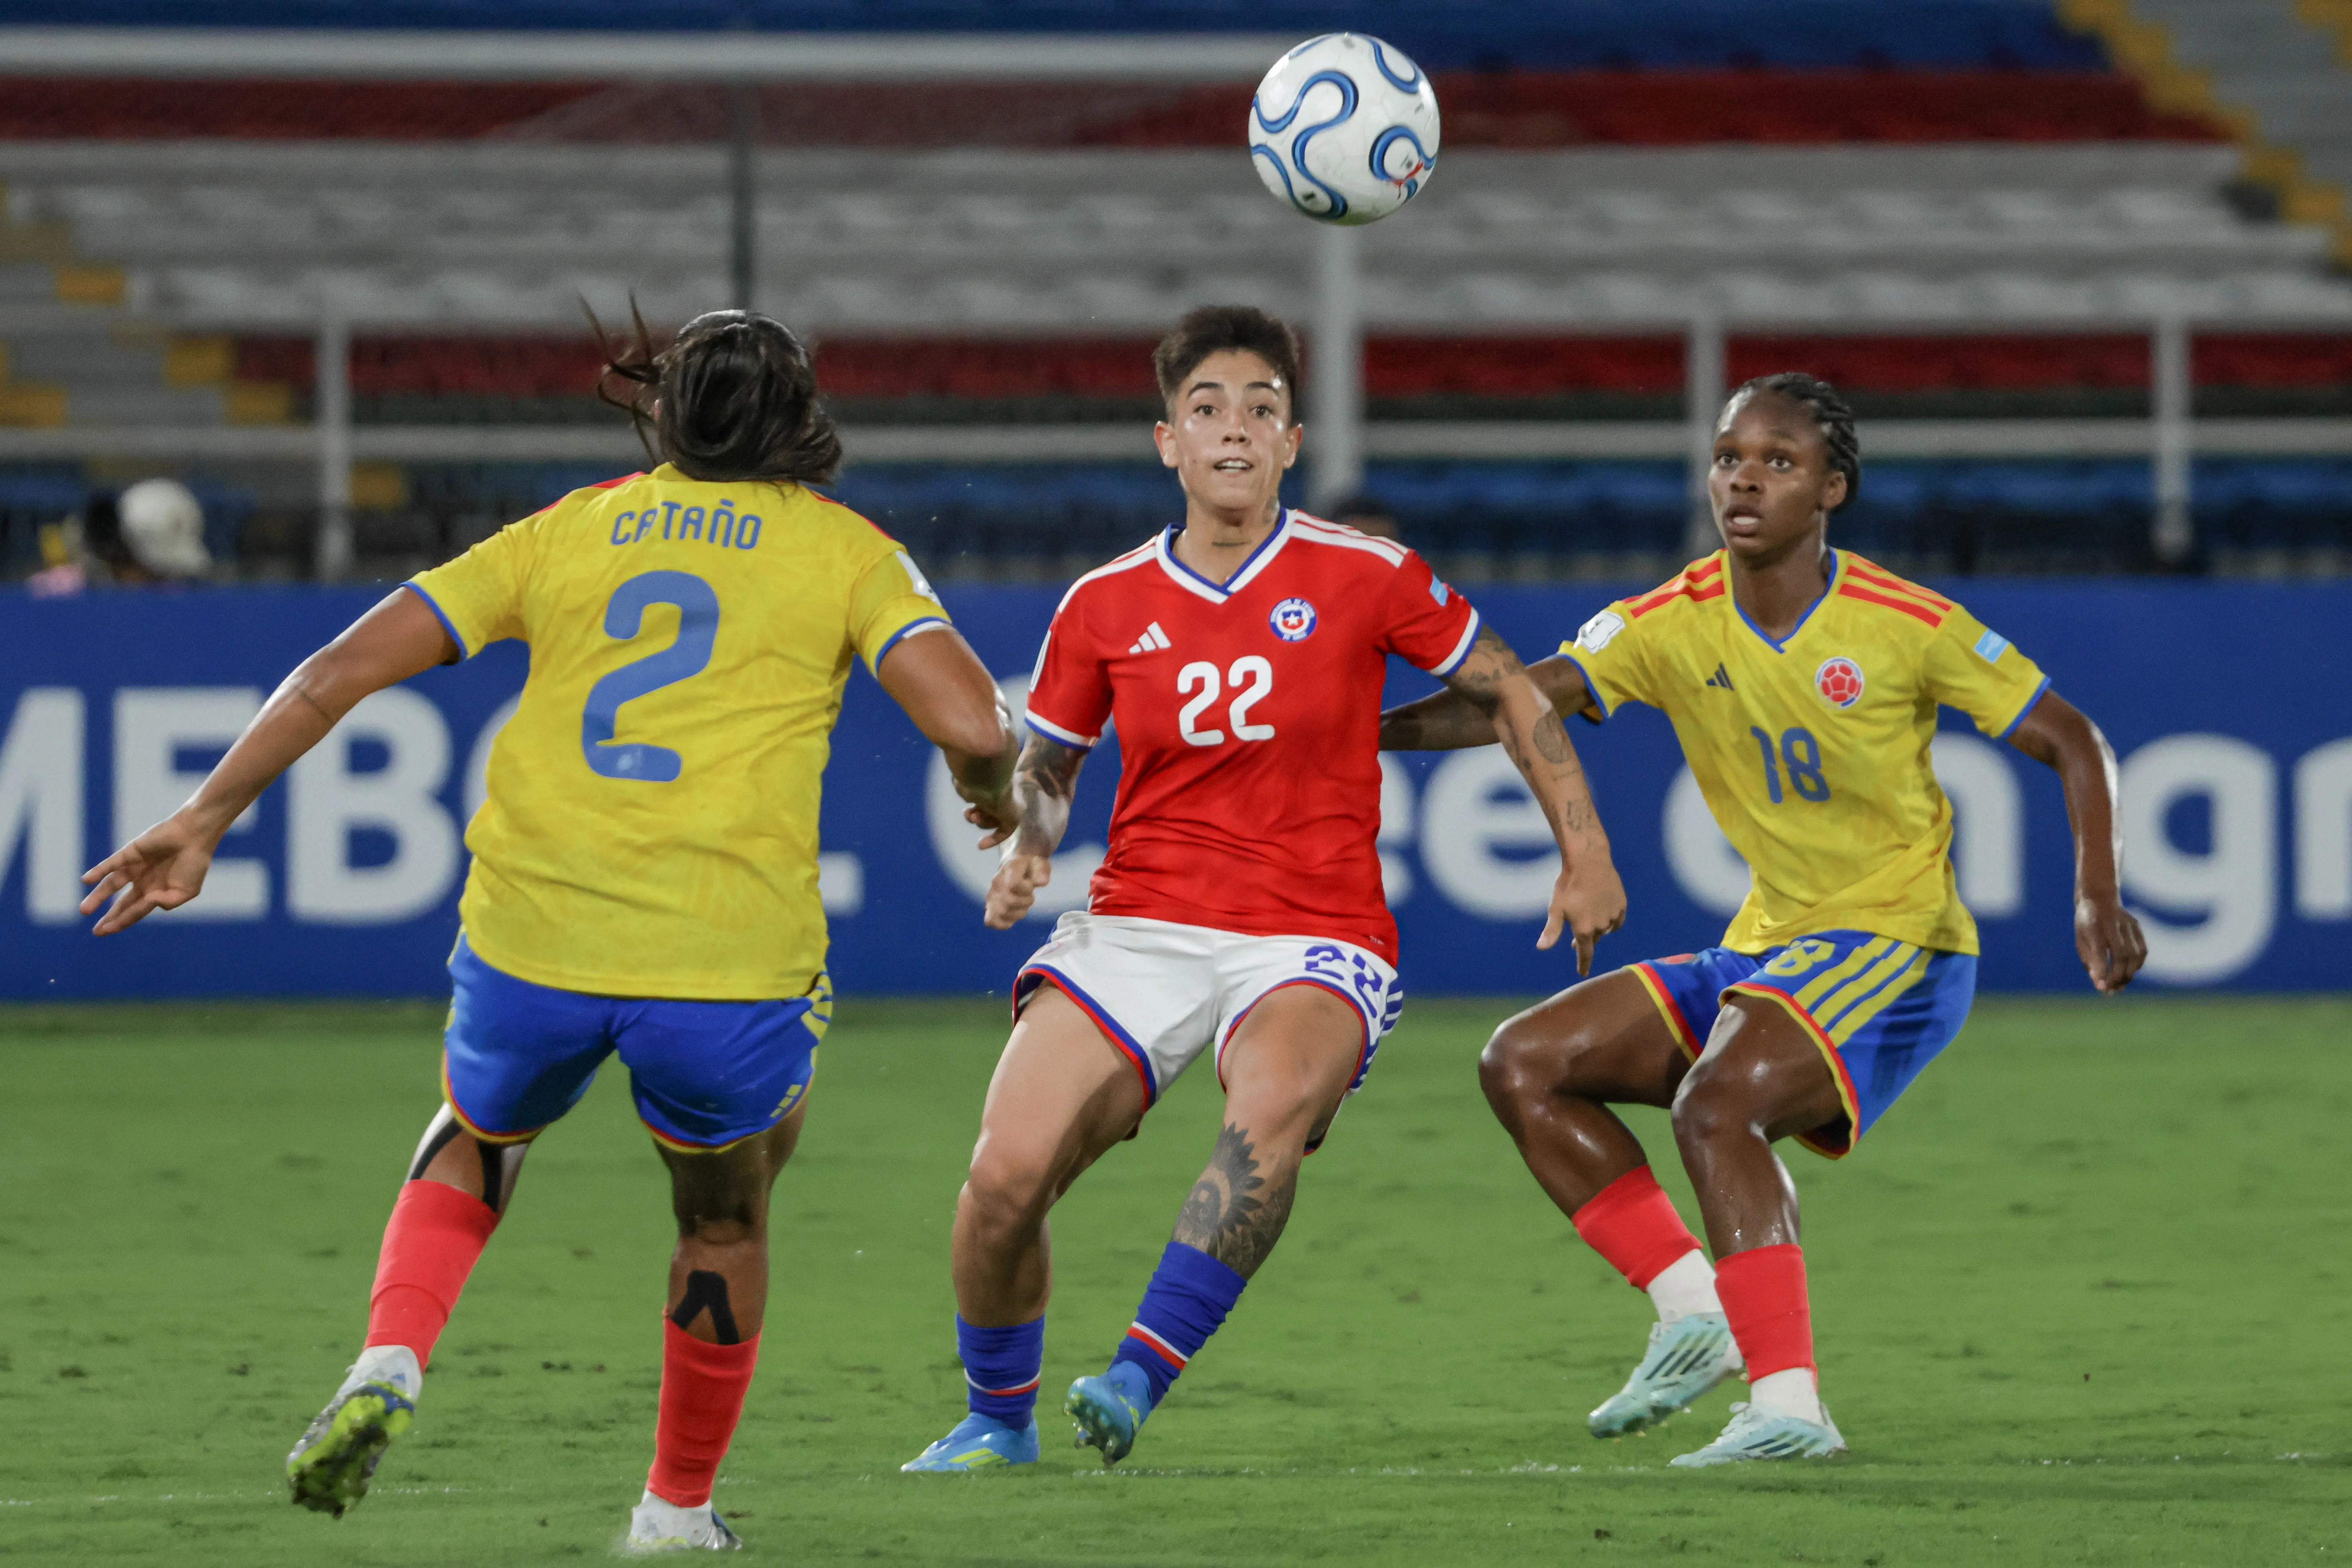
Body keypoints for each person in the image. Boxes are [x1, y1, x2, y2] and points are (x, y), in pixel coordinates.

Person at [78, 309, 1021, 1549]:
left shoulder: (576, 526)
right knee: (724, 1214)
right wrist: (987, 799)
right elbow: (975, 723)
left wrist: (205, 817)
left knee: (477, 1133)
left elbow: (334, 673)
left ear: (665, 413)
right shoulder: (847, 552)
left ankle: (391, 1359)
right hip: (722, 960)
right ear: (801, 422)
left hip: (535, 933)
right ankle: (673, 1510)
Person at [901, 305, 1627, 1473]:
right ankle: (998, 1415)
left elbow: (1513, 690)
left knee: (1270, 1109)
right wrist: (1033, 844)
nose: (1233, 427)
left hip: (1314, 933)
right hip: (1139, 923)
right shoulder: (1103, 602)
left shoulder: (1367, 572)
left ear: (1291, 444)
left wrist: (1583, 852)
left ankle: (1135, 1373)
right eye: (1206, 408)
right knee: (1003, 1178)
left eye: (1260, 409)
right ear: (1166, 443)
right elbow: (1051, 759)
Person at [1378, 372, 2146, 1466]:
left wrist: (2095, 892)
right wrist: (1351, 732)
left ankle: (1789, 1403)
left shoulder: (1901, 623)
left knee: (1713, 1105)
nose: (1744, 478)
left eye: (1777, 461)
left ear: (1829, 489)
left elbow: (2070, 736)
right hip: (1771, 941)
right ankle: (1694, 1309)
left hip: (1898, 941)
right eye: (1729, 456)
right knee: (1523, 1061)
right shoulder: (1669, 618)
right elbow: (1515, 698)